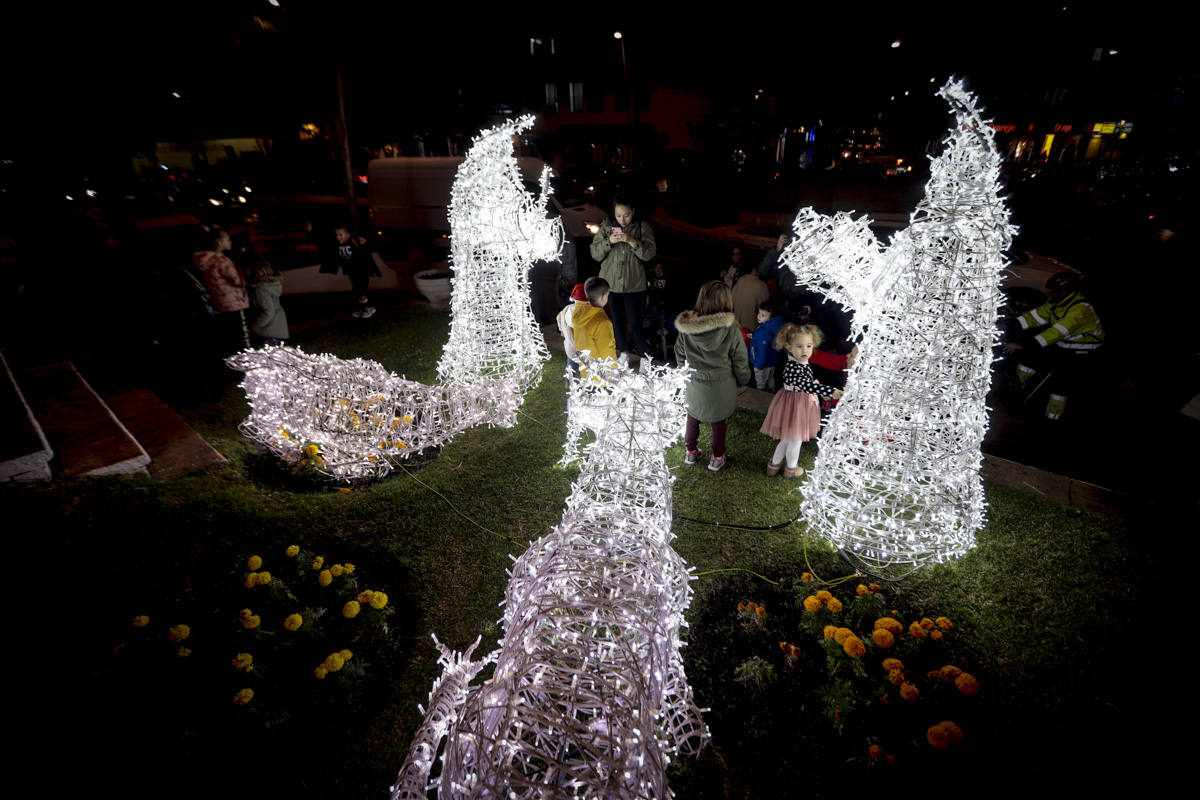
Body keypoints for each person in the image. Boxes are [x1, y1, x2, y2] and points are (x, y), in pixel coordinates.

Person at [1004, 271, 1104, 420]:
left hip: (1083, 349)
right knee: (1031, 359)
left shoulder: (1079, 310)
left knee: (1061, 381)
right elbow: (1035, 316)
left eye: (1054, 291)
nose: (1050, 294)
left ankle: (1052, 417)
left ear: (1065, 291)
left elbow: (1053, 334)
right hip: (1065, 342)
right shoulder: (1057, 302)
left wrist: (1023, 344)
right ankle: (1017, 388)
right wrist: (1012, 324)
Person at [674, 280, 751, 472]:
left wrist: (685, 372)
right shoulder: (731, 329)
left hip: (694, 382)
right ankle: (717, 457)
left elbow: (680, 353)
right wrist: (743, 379)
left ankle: (690, 452)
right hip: (720, 385)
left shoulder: (687, 327)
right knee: (718, 422)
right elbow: (740, 359)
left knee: (692, 415)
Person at [760, 323, 843, 478]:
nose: (805, 350)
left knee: (787, 439)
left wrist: (818, 388)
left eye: (809, 346)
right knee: (795, 440)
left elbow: (808, 383)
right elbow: (804, 385)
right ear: (789, 347)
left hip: (798, 401)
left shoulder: (801, 363)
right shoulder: (792, 366)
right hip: (794, 404)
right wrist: (829, 391)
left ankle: (773, 466)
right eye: (799, 346)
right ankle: (791, 469)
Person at [589, 196, 656, 357]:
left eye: (626, 215)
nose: (622, 220)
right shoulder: (606, 226)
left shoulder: (642, 227)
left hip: (633, 284)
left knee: (635, 323)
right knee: (616, 322)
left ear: (633, 212)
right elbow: (595, 253)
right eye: (618, 215)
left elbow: (649, 254)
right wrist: (609, 241)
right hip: (610, 284)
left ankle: (645, 357)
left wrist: (632, 241)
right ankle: (623, 353)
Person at [192, 226, 250, 354]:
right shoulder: (222, 261)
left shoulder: (204, 260)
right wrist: (244, 276)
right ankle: (247, 359)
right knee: (242, 333)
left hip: (220, 302)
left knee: (230, 333)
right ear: (219, 243)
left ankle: (234, 358)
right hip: (234, 302)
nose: (230, 242)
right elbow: (237, 281)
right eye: (227, 240)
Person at [320, 223, 381, 318]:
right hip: (351, 272)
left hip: (361, 271)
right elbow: (337, 257)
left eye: (340, 235)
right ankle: (362, 308)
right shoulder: (338, 245)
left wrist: (365, 244)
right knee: (357, 290)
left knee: (362, 289)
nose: (338, 237)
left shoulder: (354, 241)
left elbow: (365, 253)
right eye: (337, 235)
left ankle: (366, 308)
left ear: (348, 235)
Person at [571, 276, 617, 380]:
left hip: (585, 371)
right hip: (601, 377)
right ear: (603, 297)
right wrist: (613, 373)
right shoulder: (602, 322)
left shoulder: (579, 314)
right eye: (608, 295)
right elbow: (607, 351)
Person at [245, 253, 289, 347]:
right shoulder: (270, 286)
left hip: (267, 332)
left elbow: (268, 312)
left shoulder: (260, 290)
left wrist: (254, 326)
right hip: (275, 329)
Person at [748, 299, 786, 390]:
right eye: (759, 313)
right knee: (770, 378)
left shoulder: (763, 332)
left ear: (771, 318)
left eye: (763, 315)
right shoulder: (773, 326)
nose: (759, 316)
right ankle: (772, 395)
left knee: (760, 382)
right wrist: (754, 336)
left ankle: (761, 398)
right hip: (772, 361)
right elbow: (768, 340)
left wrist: (758, 365)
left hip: (762, 364)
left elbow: (762, 350)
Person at [556, 282, 590, 380]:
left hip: (570, 345)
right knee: (584, 367)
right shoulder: (589, 311)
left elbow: (559, 318)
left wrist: (562, 329)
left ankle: (568, 381)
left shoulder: (567, 309)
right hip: (585, 346)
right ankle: (582, 384)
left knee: (571, 364)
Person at [732, 263, 770, 331]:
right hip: (751, 330)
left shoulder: (740, 280)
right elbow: (766, 311)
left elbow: (731, 300)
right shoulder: (762, 286)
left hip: (735, 326)